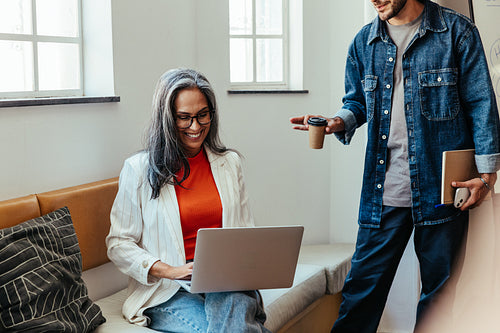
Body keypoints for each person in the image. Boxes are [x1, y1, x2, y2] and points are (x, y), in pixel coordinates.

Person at [290, 0, 500, 332]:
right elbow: (356, 101)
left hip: (440, 192)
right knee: (360, 294)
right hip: (383, 192)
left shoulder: (457, 33)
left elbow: (481, 103)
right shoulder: (364, 42)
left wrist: (487, 175)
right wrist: (336, 122)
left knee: (439, 298)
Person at [106, 68, 270, 333]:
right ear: (167, 119)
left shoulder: (229, 163)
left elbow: (244, 233)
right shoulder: (138, 169)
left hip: (226, 283)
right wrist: (170, 270)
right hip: (169, 290)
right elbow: (118, 244)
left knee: (231, 311)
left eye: (202, 115)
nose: (195, 127)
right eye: (184, 118)